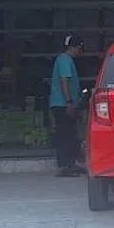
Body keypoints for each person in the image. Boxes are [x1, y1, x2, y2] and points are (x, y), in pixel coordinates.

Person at [49, 34, 87, 177]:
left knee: (70, 133)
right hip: (62, 104)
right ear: (75, 47)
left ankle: (70, 164)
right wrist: (69, 102)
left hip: (63, 103)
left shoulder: (65, 60)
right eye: (80, 48)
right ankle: (65, 166)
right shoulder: (65, 60)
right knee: (65, 134)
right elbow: (64, 81)